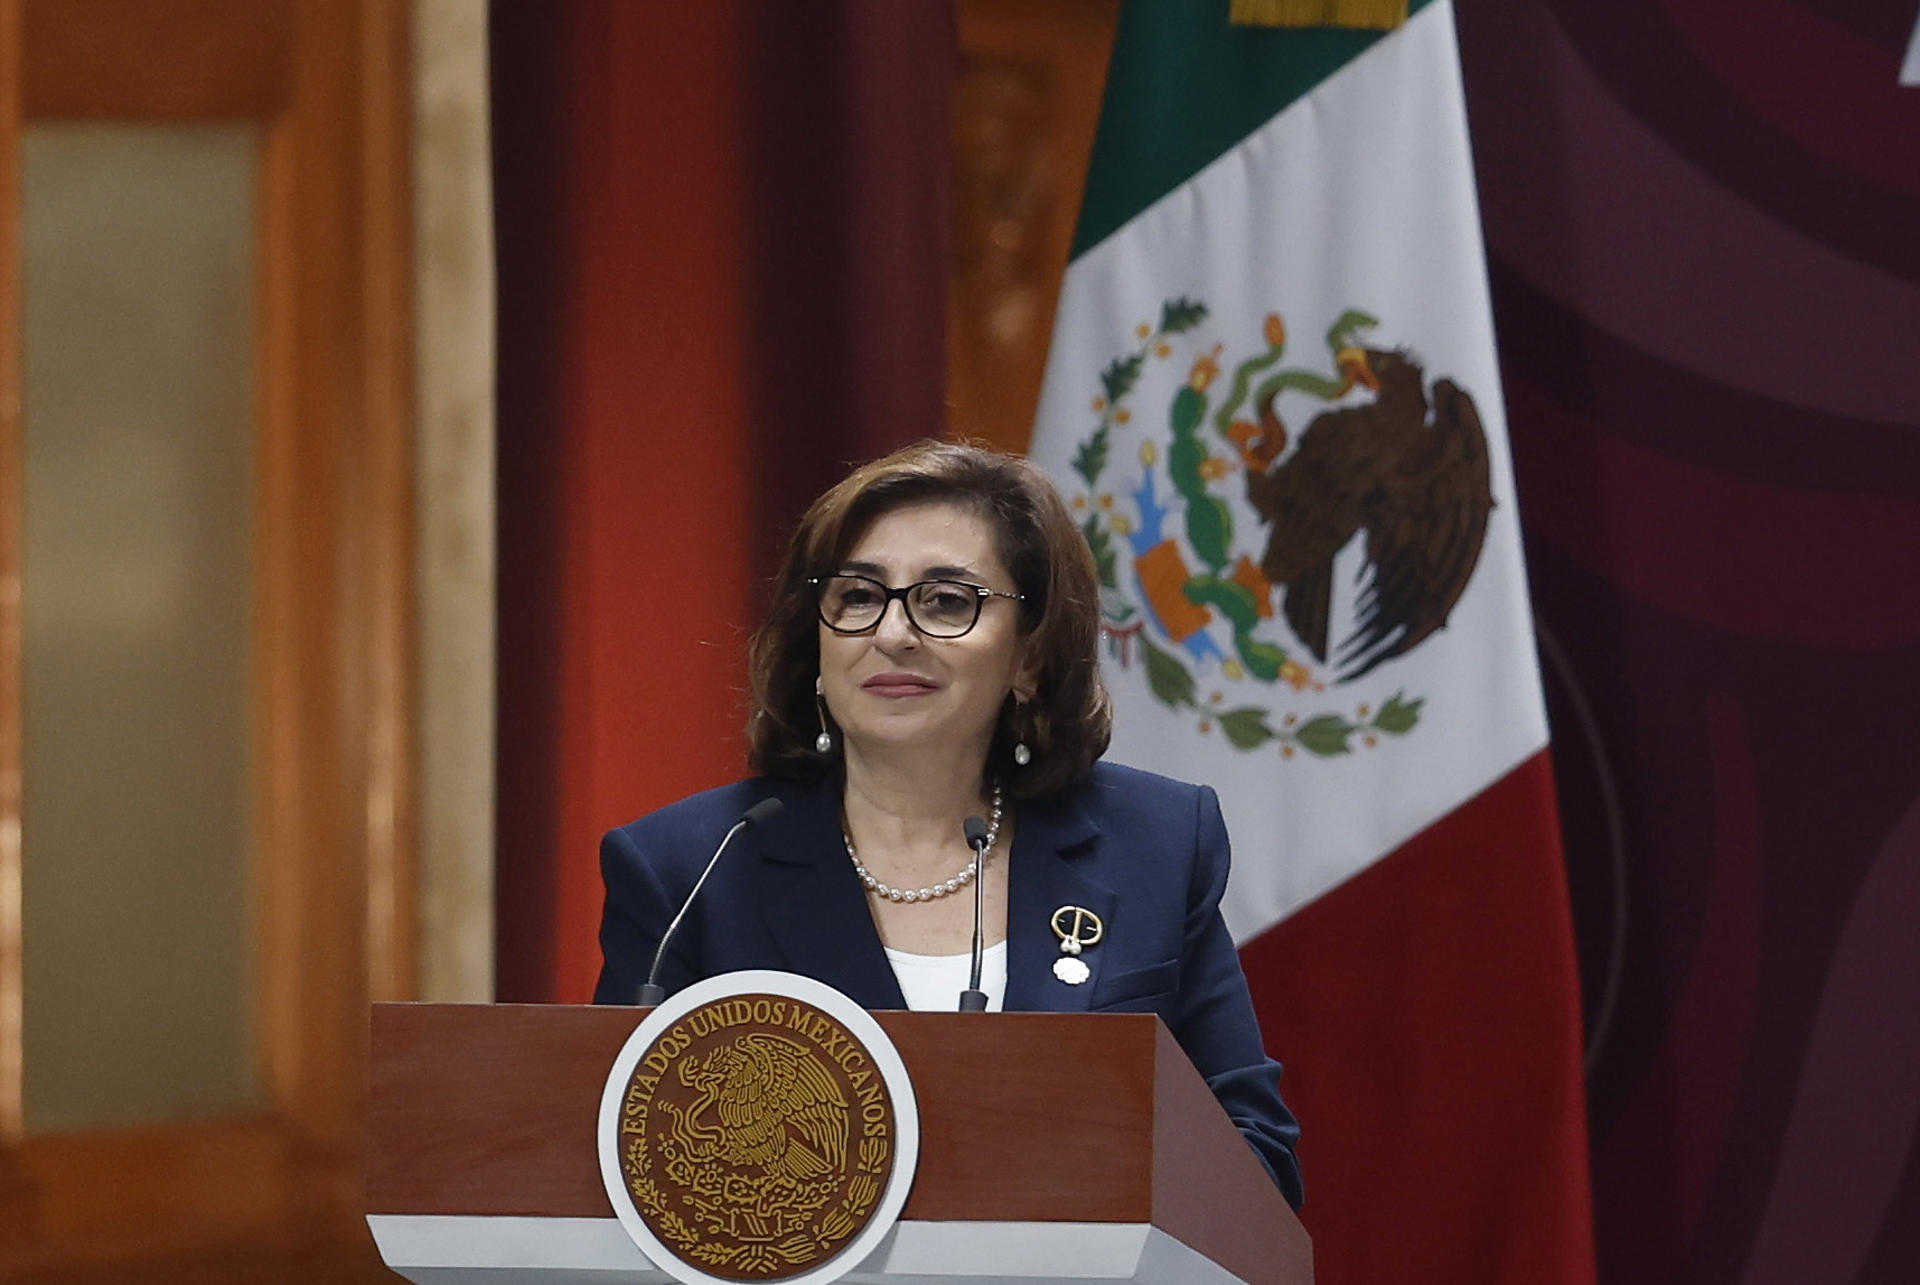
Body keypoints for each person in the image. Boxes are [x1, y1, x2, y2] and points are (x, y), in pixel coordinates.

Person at [593, 440, 1304, 1207]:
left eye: (945, 601)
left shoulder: (1157, 842)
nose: (892, 633)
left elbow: (1252, 1158)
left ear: (1028, 657)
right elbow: (624, 1167)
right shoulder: (688, 869)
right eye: (859, 596)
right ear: (820, 645)